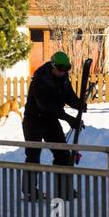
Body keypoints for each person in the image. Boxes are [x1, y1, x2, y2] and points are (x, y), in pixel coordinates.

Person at [21, 52, 85, 201]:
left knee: (63, 153)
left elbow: (69, 96)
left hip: (50, 120)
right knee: (33, 155)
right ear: (53, 67)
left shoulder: (63, 78)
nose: (63, 73)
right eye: (60, 70)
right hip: (34, 120)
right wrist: (69, 118)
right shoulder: (40, 80)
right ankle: (30, 191)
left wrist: (79, 104)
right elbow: (45, 106)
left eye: (65, 71)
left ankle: (64, 188)